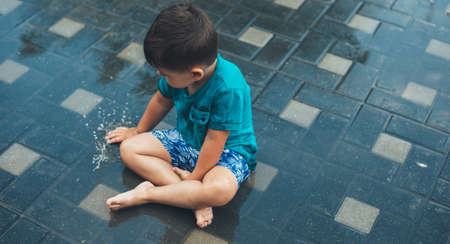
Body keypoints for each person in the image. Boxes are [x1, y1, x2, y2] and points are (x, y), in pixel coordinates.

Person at [105, 0, 257, 228]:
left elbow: (216, 140)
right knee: (130, 149)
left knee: (219, 191)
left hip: (226, 154)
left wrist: (195, 177)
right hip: (186, 141)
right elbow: (160, 100)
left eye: (165, 73)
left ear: (195, 74)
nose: (159, 74)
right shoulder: (180, 72)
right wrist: (137, 131)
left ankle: (148, 194)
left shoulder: (229, 88)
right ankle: (192, 198)